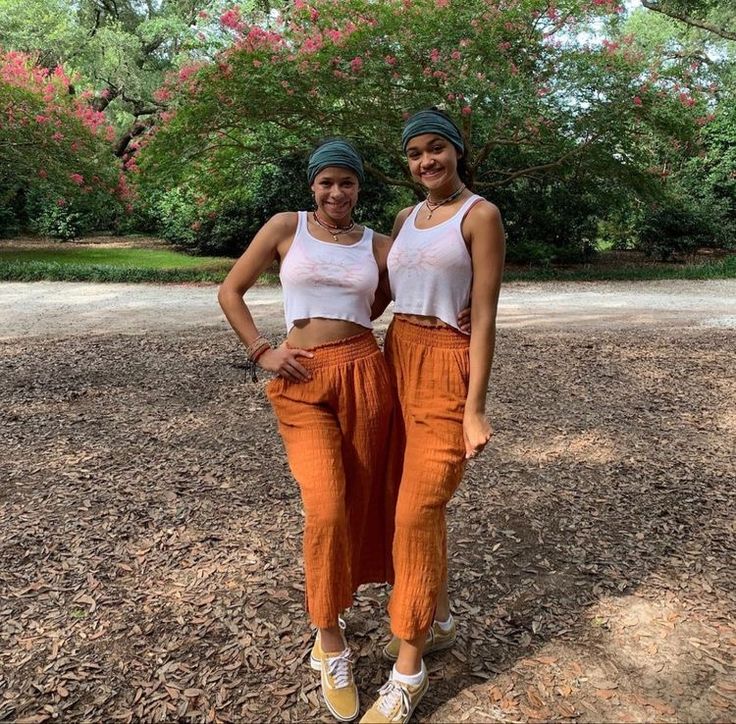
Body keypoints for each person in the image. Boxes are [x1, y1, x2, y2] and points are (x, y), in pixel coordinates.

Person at [218, 139, 396, 723]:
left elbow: (403, 293)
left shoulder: (377, 245)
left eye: (346, 183)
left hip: (364, 371)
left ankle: (378, 600)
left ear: (359, 188)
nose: (336, 193)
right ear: (312, 186)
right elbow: (230, 290)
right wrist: (261, 351)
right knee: (325, 505)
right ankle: (330, 638)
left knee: (365, 499)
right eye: (326, 183)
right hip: (300, 378)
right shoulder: (284, 227)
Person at [361, 109, 506, 724]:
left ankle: (408, 670)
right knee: (404, 499)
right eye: (416, 152)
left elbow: (487, 314)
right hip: (396, 355)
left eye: (436, 149)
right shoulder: (404, 220)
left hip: (447, 364)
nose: (426, 161)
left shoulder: (481, 216)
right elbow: (379, 296)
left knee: (416, 511)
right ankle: (438, 619)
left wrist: (475, 407)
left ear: (456, 151)